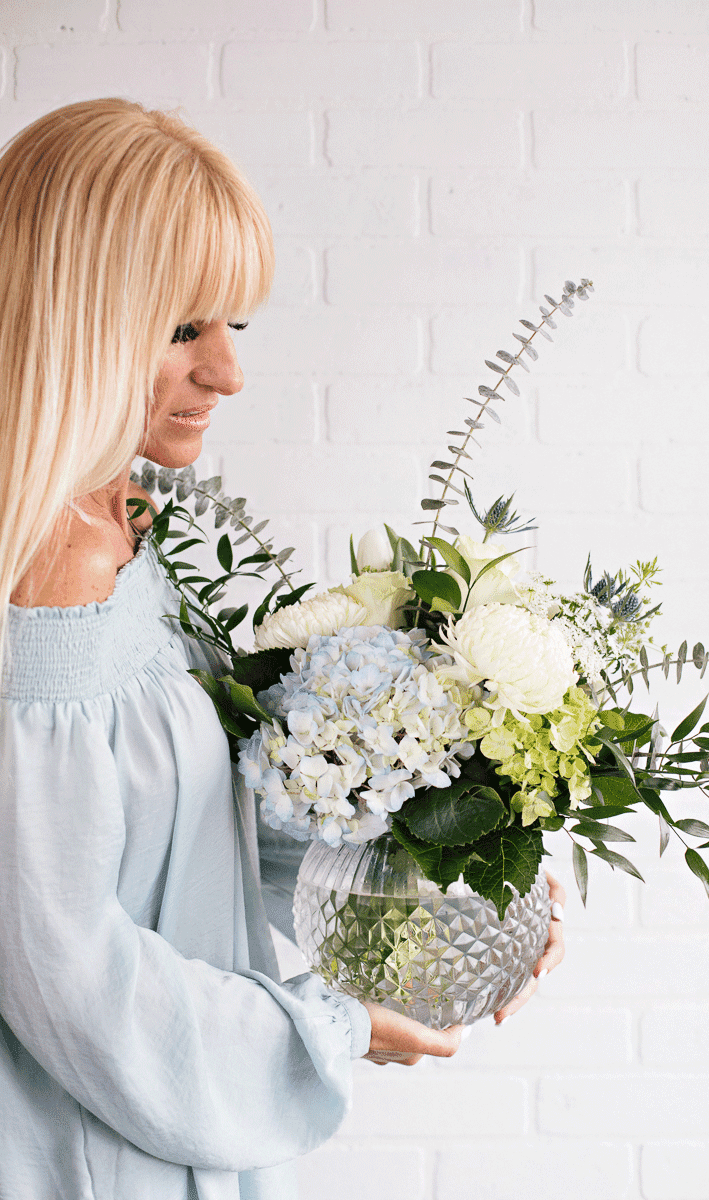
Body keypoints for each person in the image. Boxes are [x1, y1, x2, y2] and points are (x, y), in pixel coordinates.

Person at [0, 98, 565, 1200]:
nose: (227, 374)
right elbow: (63, 971)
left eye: (232, 328)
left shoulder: (115, 525)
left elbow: (175, 824)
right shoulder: (48, 581)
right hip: (89, 1156)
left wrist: (454, 879)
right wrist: (334, 1027)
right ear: (73, 319)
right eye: (180, 330)